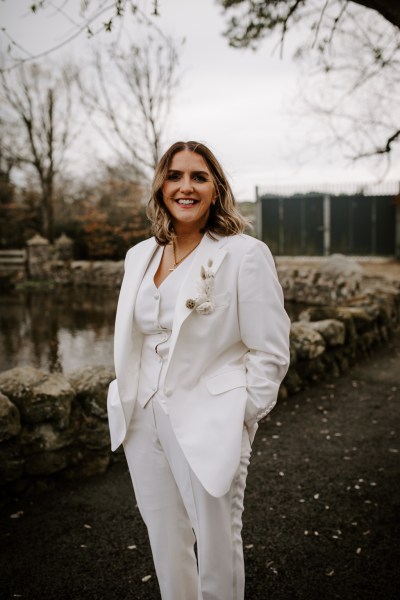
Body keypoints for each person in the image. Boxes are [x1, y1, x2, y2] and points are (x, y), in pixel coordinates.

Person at [107, 140, 291, 600]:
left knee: (216, 545)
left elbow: (270, 347)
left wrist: (242, 412)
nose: (185, 186)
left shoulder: (244, 254)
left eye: (198, 177)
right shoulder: (138, 256)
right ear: (161, 187)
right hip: (141, 413)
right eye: (175, 176)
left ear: (216, 189)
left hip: (211, 416)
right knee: (165, 539)